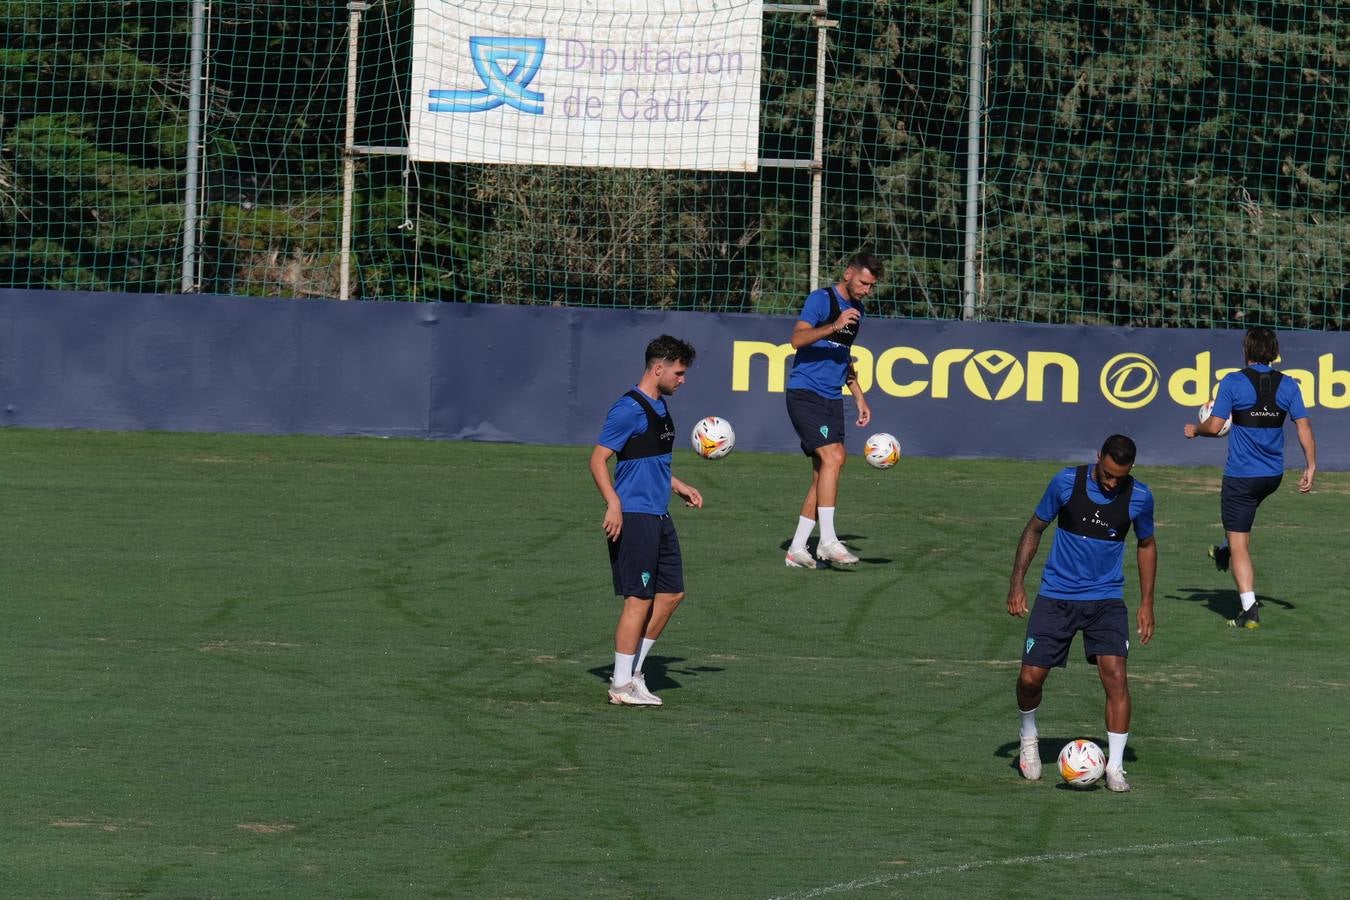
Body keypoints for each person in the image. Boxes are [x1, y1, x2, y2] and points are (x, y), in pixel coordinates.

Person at [1006, 435, 1157, 793]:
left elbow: (1147, 544)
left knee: (1116, 677)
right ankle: (1029, 737)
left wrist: (1147, 602)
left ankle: (1116, 767)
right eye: (1106, 474)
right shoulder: (1064, 483)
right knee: (1030, 679)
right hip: (1056, 597)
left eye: (1119, 477)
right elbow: (1034, 528)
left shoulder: (1140, 497)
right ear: (1098, 458)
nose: (1111, 483)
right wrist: (1017, 583)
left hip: (1105, 600)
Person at [589, 336, 703, 707]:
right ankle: (621, 685)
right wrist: (613, 504)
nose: (682, 379)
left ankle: (632, 673)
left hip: (658, 513)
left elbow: (648, 459)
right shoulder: (628, 409)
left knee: (671, 595)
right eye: (679, 372)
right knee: (638, 599)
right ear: (659, 368)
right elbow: (598, 459)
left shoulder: (660, 407)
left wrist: (678, 484)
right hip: (635, 515)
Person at [1183, 327, 1316, 629]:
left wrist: (1195, 429)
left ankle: (1249, 610)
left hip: (1242, 477)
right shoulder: (1289, 385)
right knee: (1241, 523)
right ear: (1274, 353)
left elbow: (1215, 426)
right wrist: (1311, 466)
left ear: (1246, 351)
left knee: (1240, 541)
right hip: (1272, 477)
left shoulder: (1233, 382)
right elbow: (1304, 427)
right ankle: (1224, 549)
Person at [783, 252, 883, 569]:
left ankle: (797, 548)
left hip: (832, 398)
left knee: (824, 472)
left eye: (871, 286)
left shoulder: (860, 311)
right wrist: (833, 325)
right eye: (864, 283)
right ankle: (827, 542)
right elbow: (796, 339)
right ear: (848, 273)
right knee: (834, 457)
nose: (867, 290)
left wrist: (859, 397)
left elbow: (844, 357)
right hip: (805, 393)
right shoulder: (821, 300)